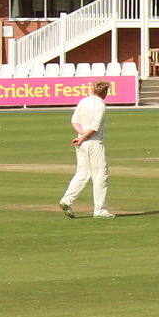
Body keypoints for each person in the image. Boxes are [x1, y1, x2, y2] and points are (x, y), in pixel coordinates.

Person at [59, 80, 116, 218]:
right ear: (105, 92)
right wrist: (83, 137)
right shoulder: (101, 105)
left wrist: (80, 136)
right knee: (100, 176)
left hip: (81, 143)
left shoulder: (83, 101)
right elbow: (94, 127)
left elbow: (74, 121)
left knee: (82, 173)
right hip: (93, 143)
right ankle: (100, 209)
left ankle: (66, 200)